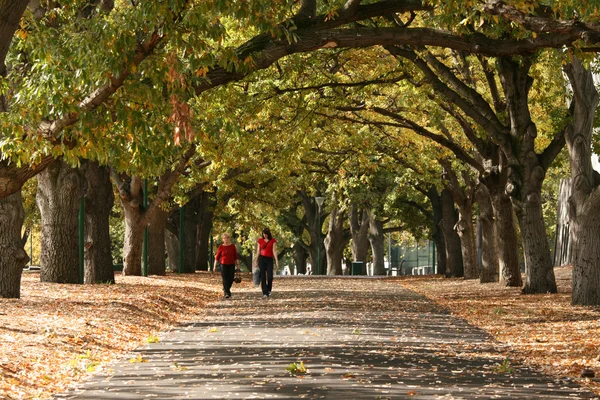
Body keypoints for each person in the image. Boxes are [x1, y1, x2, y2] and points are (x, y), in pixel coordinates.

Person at [253, 227, 279, 298]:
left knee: (270, 276)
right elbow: (258, 251)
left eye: (266, 234)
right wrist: (256, 260)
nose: (265, 235)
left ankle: (269, 289)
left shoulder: (273, 240)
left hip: (269, 259)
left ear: (269, 234)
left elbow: (274, 251)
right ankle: (265, 292)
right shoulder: (260, 240)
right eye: (264, 234)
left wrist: (276, 260)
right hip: (262, 259)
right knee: (263, 276)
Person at [213, 232, 240, 299]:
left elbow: (236, 256)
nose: (226, 239)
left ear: (229, 239)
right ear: (223, 239)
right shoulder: (221, 247)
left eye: (227, 238)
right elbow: (217, 257)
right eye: (225, 238)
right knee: (225, 278)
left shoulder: (232, 246)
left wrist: (238, 265)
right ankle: (227, 293)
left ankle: (226, 289)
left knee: (231, 278)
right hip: (223, 265)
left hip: (231, 264)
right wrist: (214, 266)